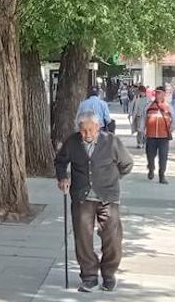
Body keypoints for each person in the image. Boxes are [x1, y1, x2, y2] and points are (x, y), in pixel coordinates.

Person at [55, 111, 134, 291]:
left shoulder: (111, 141)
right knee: (83, 238)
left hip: (108, 197)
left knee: (113, 238)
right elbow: (60, 161)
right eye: (83, 131)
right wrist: (62, 178)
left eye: (91, 130)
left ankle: (108, 273)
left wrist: (113, 178)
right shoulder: (73, 142)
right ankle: (89, 276)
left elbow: (127, 164)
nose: (87, 134)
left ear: (98, 127)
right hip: (82, 197)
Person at [144, 87, 174, 183]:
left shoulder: (168, 107)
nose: (158, 95)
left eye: (160, 93)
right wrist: (142, 130)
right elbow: (144, 119)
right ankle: (151, 169)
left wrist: (169, 130)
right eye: (156, 93)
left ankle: (162, 175)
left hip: (163, 137)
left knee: (163, 157)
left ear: (164, 94)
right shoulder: (149, 106)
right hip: (151, 136)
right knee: (150, 155)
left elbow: (174, 121)